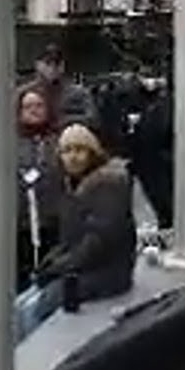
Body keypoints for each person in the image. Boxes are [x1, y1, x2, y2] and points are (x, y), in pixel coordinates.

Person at [37, 124, 136, 310]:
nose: (73, 157)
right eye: (67, 151)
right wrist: (50, 262)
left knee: (42, 304)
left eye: (79, 150)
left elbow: (98, 243)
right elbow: (70, 239)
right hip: (84, 268)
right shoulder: (71, 184)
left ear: (92, 153)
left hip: (107, 273)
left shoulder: (107, 185)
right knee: (24, 303)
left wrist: (58, 268)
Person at [16, 88, 64, 294]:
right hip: (21, 221)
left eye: (39, 105)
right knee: (20, 273)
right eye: (28, 107)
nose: (34, 111)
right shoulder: (10, 141)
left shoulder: (59, 138)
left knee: (52, 270)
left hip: (53, 217)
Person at [127, 77, 174, 230]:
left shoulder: (163, 106)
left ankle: (168, 226)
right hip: (149, 161)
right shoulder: (149, 106)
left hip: (157, 161)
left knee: (165, 203)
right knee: (161, 202)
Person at [21, 44, 97, 131]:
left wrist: (64, 120)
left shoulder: (78, 93)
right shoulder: (24, 92)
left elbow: (93, 119)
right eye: (48, 63)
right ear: (38, 65)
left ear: (62, 66)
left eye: (57, 63)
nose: (52, 68)